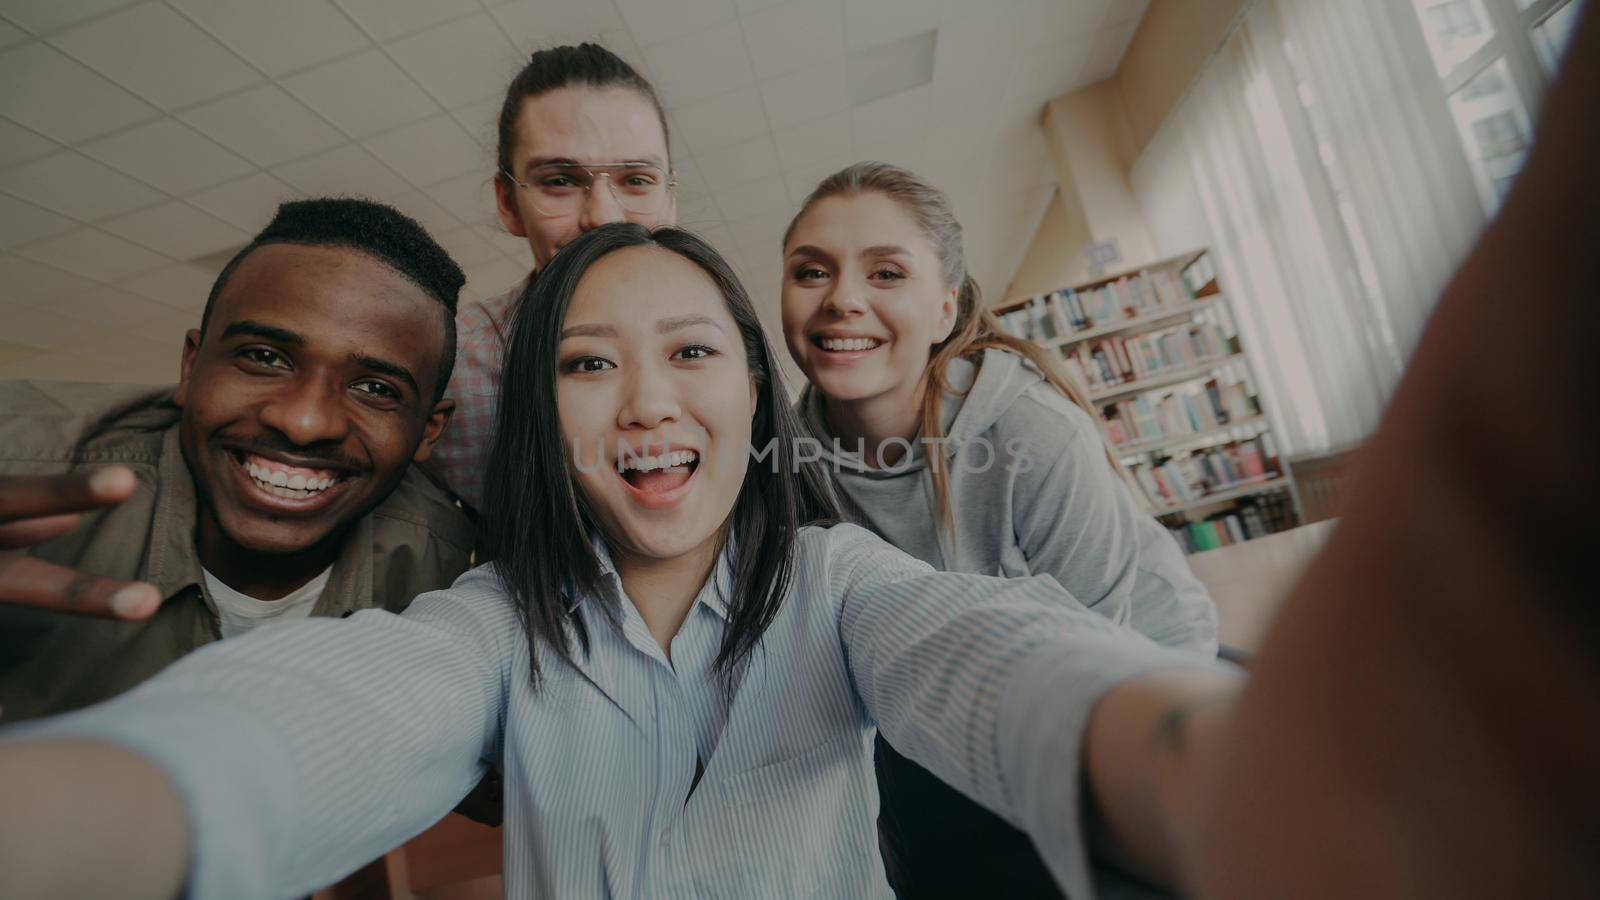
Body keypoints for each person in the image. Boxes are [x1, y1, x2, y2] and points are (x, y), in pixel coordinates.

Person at [0, 223, 1233, 899]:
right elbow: (313, 723)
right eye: (588, 363)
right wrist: (68, 815)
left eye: (693, 353)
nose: (645, 402)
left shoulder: (846, 586)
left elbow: (1009, 662)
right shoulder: (487, 623)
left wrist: (1211, 764)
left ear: (758, 394)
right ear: (545, 414)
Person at [781, 161, 1217, 897]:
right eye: (811, 271)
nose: (843, 299)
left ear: (945, 309)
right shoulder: (789, 459)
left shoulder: (1032, 433)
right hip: (947, 716)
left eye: (886, 273)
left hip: (1131, 682)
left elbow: (1094, 668)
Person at [0, 198, 474, 724]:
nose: (304, 422)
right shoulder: (24, 473)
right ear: (191, 364)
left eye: (374, 388)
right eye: (264, 357)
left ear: (428, 430)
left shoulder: (441, 564)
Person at [429, 42, 678, 510]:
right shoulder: (453, 368)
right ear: (508, 202)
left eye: (636, 180)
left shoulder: (735, 342)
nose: (603, 217)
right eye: (561, 181)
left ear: (670, 196)